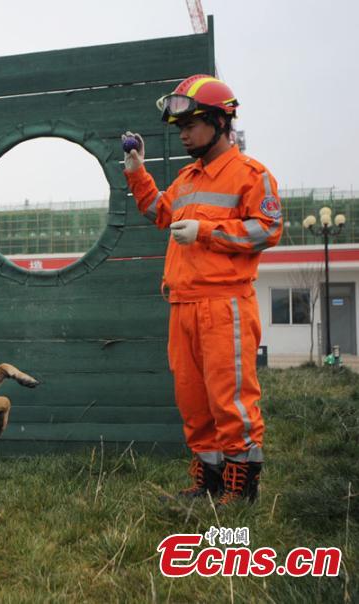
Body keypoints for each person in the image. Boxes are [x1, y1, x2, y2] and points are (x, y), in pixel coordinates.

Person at [122, 74, 282, 505]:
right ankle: (207, 482)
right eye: (181, 127)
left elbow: (267, 230)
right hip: (183, 305)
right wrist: (138, 174)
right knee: (193, 402)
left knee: (230, 399)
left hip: (224, 305)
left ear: (219, 121)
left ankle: (242, 487)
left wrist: (207, 231)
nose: (184, 134)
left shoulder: (252, 175)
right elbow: (161, 211)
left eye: (191, 124)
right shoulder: (188, 178)